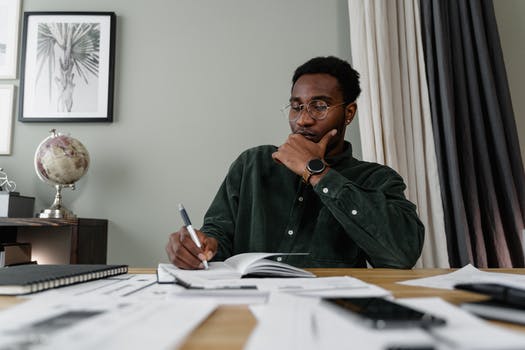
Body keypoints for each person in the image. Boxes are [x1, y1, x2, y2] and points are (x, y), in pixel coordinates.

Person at [166, 56, 424, 269]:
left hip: (331, 312)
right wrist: (198, 247)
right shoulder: (253, 164)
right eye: (296, 107)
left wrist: (317, 172)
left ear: (349, 113)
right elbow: (218, 235)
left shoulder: (377, 179)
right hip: (247, 307)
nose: (303, 120)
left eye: (319, 106)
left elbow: (401, 255)